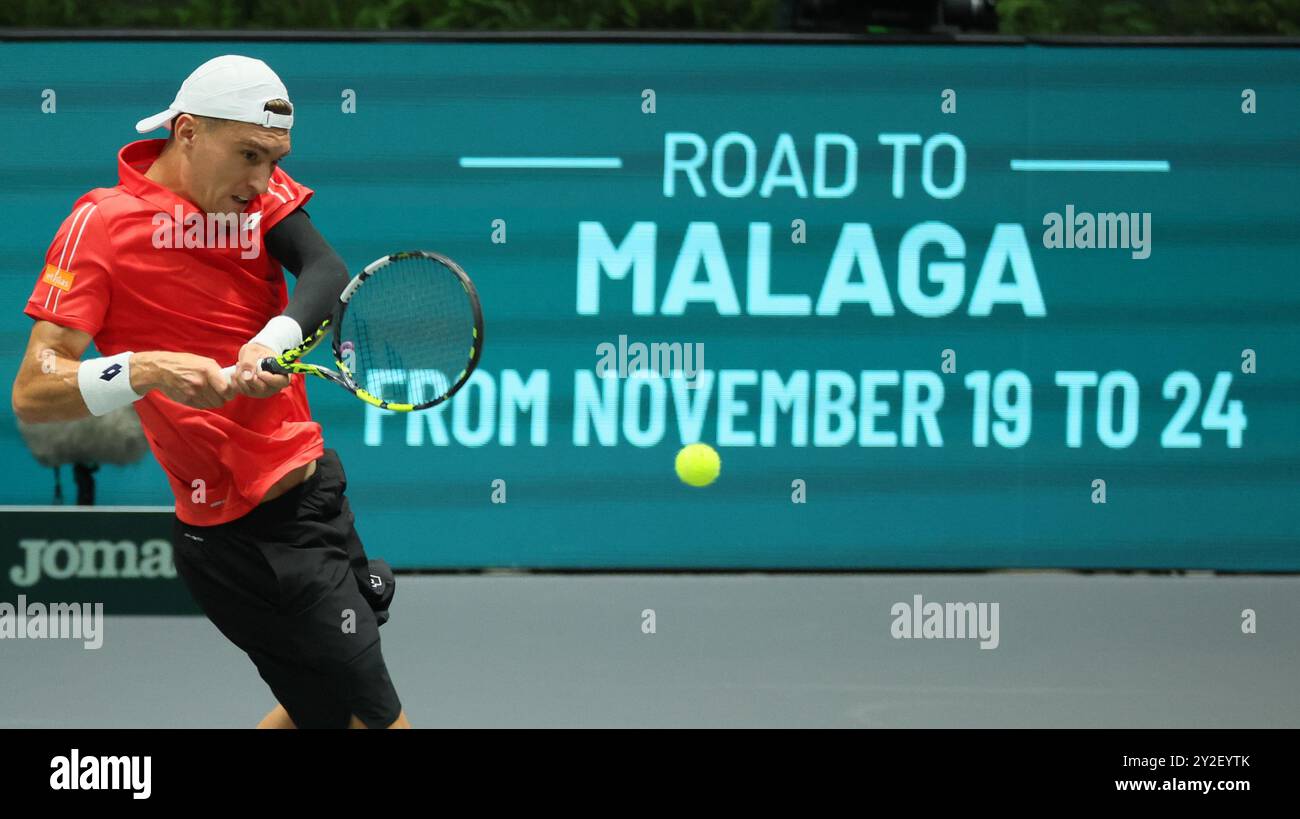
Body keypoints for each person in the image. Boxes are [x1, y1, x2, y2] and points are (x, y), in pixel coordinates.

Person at [10, 55, 409, 729]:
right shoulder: (101, 227)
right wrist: (145, 370)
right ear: (188, 131)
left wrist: (269, 341)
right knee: (371, 720)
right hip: (237, 542)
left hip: (315, 495)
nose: (263, 180)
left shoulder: (258, 198)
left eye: (275, 158)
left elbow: (324, 268)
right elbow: (32, 391)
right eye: (249, 155)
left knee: (319, 712)